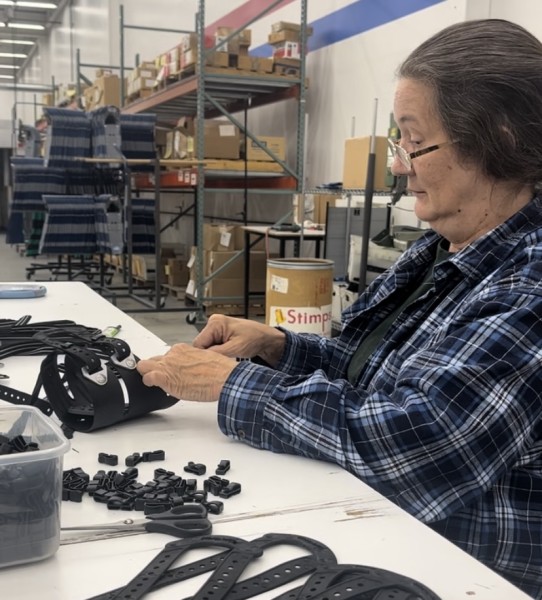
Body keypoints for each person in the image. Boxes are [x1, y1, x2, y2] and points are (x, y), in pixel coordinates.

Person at [137, 19, 542, 598]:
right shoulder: (442, 248)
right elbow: (370, 372)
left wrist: (234, 386)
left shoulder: (529, 281)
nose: (399, 165)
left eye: (415, 141)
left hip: (463, 568)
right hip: (381, 525)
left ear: (498, 137)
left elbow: (422, 444)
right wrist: (278, 348)